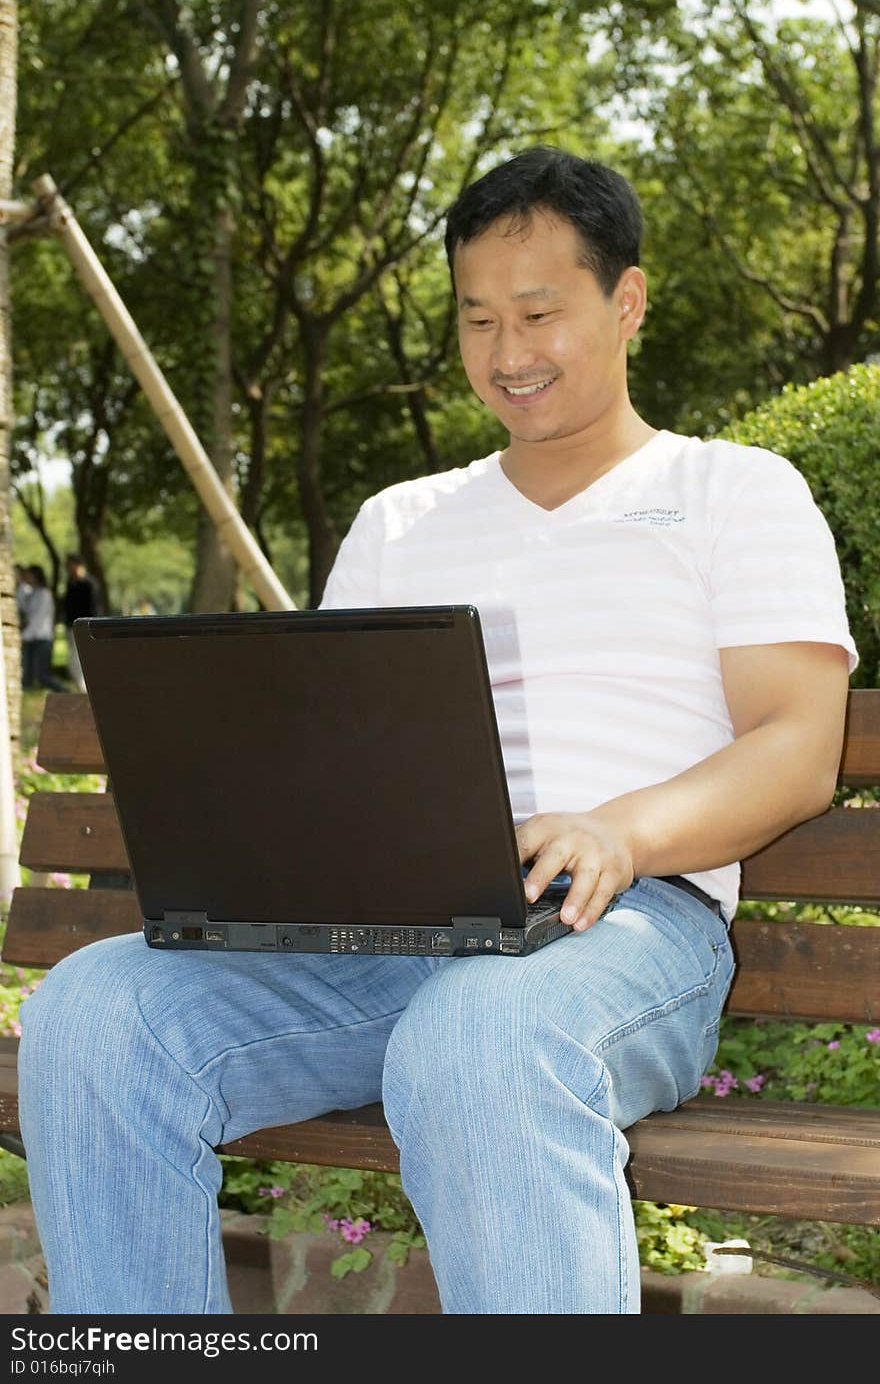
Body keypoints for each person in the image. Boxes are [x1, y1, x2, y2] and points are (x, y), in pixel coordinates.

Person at [17, 147, 857, 1315]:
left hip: (621, 921)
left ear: (625, 302)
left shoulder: (734, 491)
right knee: (94, 1014)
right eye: (476, 320)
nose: (506, 354)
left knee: (479, 1036)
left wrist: (618, 830)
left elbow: (794, 743)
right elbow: (330, 750)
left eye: (537, 313)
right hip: (388, 929)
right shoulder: (398, 522)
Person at [20, 565, 65, 692]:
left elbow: (38, 620)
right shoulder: (32, 593)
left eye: (28, 575)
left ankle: (65, 692)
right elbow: (24, 609)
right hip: (32, 638)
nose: (26, 577)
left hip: (42, 639)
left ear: (36, 576)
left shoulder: (44, 594)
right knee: (27, 677)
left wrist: (23, 636)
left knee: (42, 675)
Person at [62, 552, 101, 692]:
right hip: (71, 626)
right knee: (73, 661)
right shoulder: (71, 583)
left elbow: (93, 608)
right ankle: (83, 688)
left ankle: (87, 688)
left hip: (85, 627)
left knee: (83, 658)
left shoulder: (90, 584)